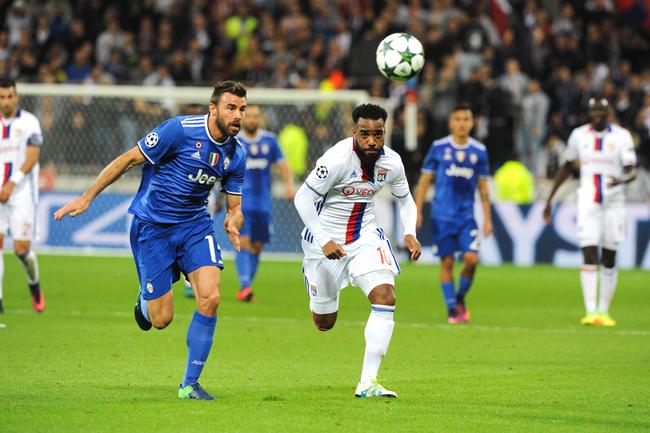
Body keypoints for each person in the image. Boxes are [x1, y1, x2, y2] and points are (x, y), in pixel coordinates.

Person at [54, 81, 248, 400]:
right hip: (154, 227)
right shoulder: (179, 131)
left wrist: (233, 221)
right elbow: (129, 159)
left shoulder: (236, 155)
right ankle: (145, 301)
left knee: (211, 297)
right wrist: (87, 197)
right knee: (161, 320)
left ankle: (190, 385)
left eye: (242, 109)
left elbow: (235, 207)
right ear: (213, 108)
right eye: (231, 108)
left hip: (195, 227)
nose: (238, 115)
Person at [294, 103, 421, 399]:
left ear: (385, 132)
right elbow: (302, 198)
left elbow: (406, 201)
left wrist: (410, 232)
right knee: (324, 323)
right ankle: (319, 292)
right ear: (354, 132)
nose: (372, 141)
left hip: (365, 237)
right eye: (365, 134)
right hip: (323, 243)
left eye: (378, 134)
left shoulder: (392, 162)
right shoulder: (336, 159)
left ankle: (368, 382)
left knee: (385, 296)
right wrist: (324, 239)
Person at [543, 97, 636, 327]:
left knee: (609, 256)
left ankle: (604, 311)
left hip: (614, 203)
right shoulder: (578, 135)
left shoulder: (622, 136)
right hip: (587, 201)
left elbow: (631, 169)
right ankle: (591, 311)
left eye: (601, 110)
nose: (597, 114)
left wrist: (622, 179)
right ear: (589, 113)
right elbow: (567, 166)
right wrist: (550, 198)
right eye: (593, 110)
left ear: (608, 112)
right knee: (589, 251)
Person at [414, 104, 492, 324]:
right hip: (442, 216)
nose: (461, 123)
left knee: (471, 260)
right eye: (457, 119)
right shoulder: (438, 148)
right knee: (447, 263)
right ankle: (452, 310)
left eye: (465, 119)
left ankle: (459, 298)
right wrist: (417, 211)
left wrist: (488, 218)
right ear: (451, 123)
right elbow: (424, 181)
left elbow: (483, 187)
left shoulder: (479, 151)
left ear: (472, 123)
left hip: (466, 217)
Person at [234, 104, 294, 302]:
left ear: (260, 119)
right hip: (241, 202)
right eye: (249, 116)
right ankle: (245, 286)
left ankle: (246, 286)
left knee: (257, 245)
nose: (252, 119)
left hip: (263, 203)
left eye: (255, 116)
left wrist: (289, 185)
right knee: (243, 242)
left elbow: (283, 164)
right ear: (243, 118)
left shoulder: (270, 140)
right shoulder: (234, 141)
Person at [0, 78, 45, 314]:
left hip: (21, 193)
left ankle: (34, 284)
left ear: (16, 97)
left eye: (10, 96)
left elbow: (32, 158)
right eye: (2, 97)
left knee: (21, 249)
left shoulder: (29, 122)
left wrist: (11, 183)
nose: (6, 101)